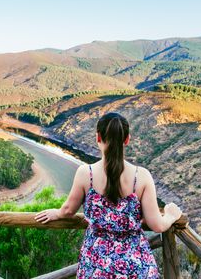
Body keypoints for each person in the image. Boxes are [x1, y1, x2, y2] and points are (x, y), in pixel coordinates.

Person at [35, 112, 182, 278]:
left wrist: (57, 213)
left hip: (96, 265)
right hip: (135, 265)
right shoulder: (141, 176)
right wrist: (170, 215)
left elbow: (69, 209)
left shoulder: (86, 173)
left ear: (98, 137)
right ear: (127, 139)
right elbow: (157, 225)